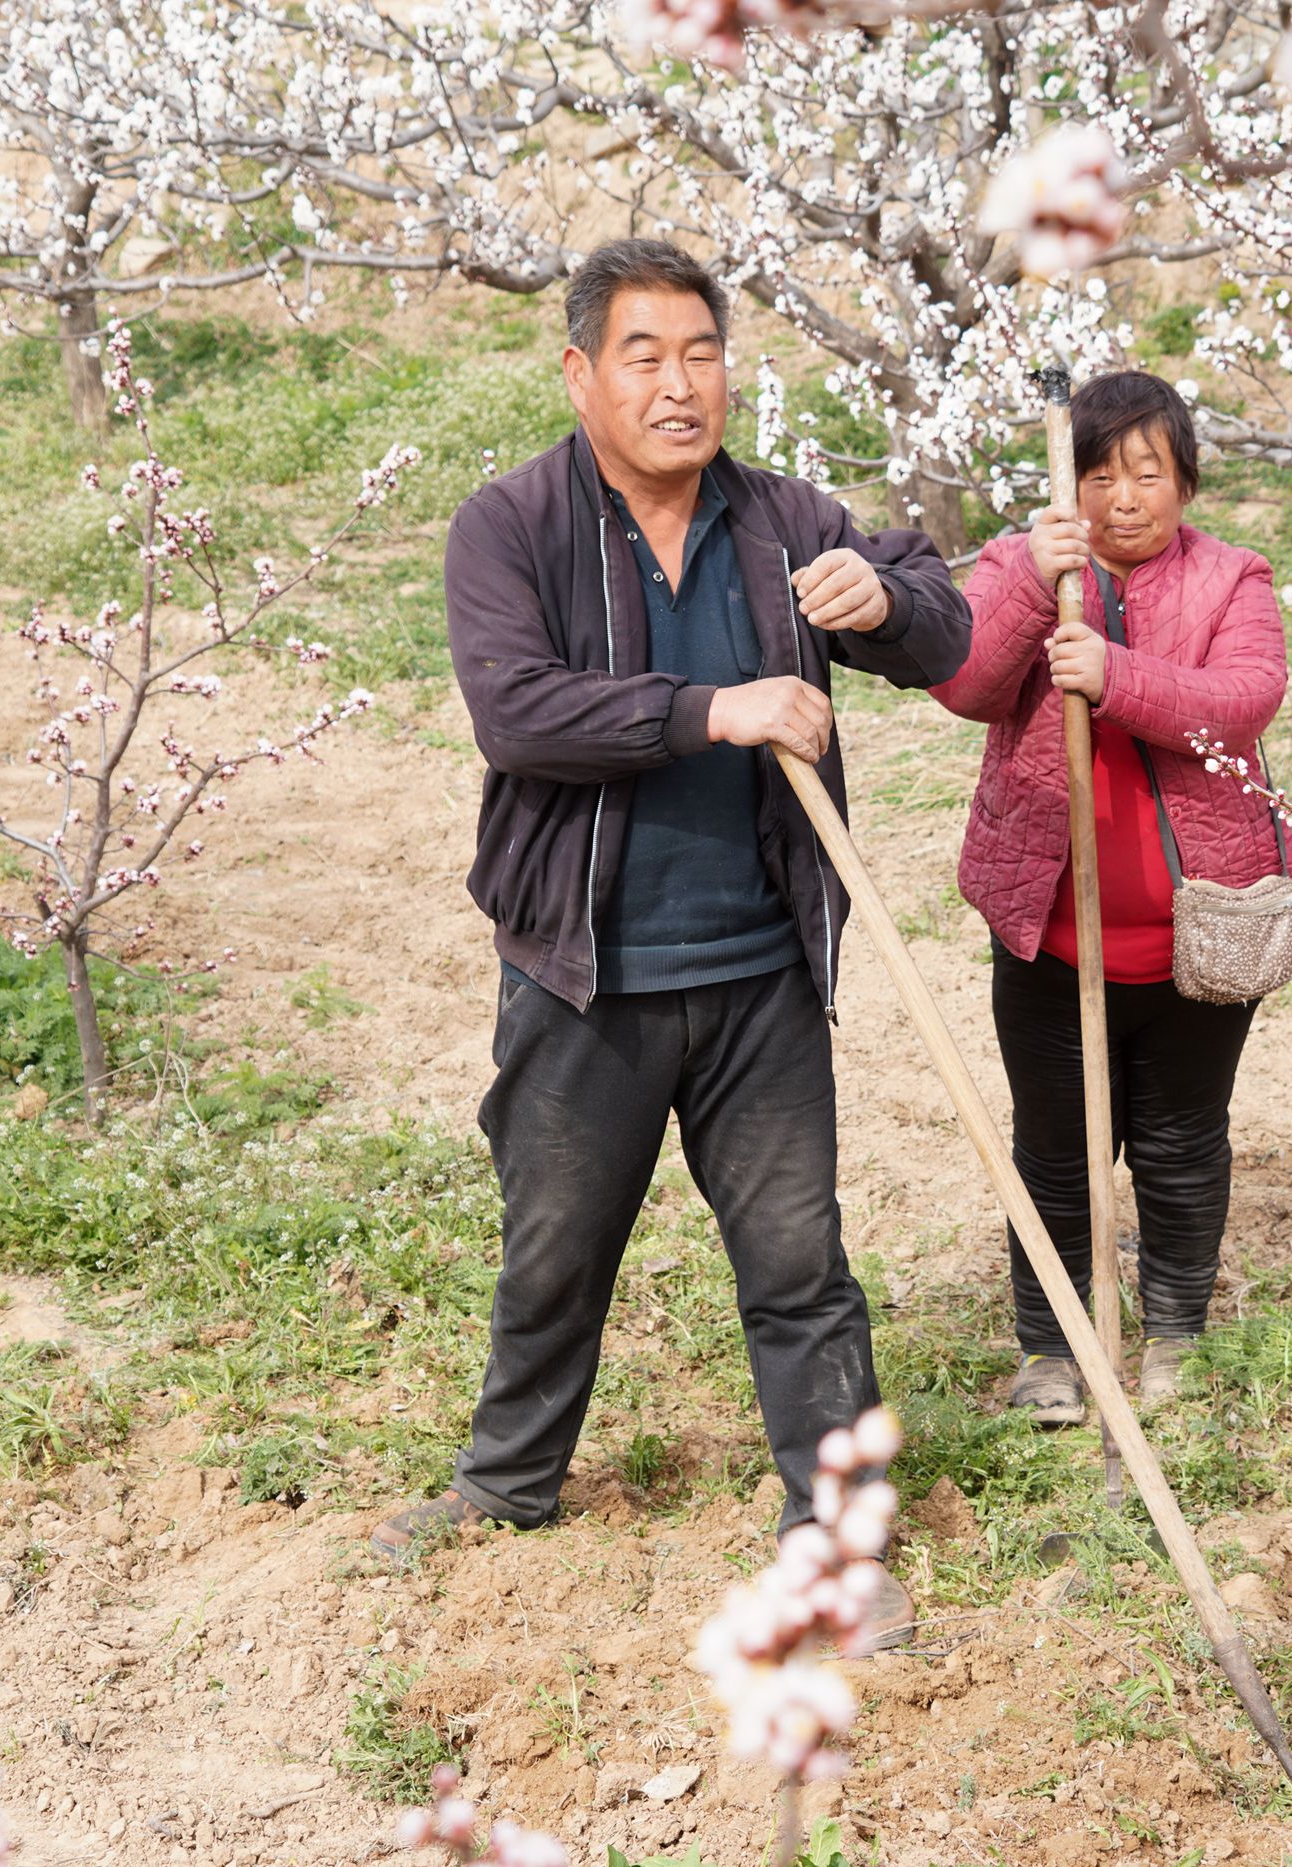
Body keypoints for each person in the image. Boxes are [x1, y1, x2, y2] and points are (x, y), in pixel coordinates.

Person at [379, 239, 971, 1635]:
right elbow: (519, 710)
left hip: (759, 969)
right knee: (554, 1248)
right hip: (584, 973)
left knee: (797, 1263)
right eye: (642, 354)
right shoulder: (510, 525)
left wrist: (882, 605)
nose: (678, 383)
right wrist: (718, 708)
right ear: (581, 371)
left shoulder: (781, 520)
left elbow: (941, 623)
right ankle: (509, 1479)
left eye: (701, 352)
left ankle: (835, 1537)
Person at [931, 370, 1292, 1423]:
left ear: (1184, 480)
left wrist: (1117, 674)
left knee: (1183, 1138)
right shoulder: (1021, 561)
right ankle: (1052, 1348)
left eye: (1147, 472)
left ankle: (1176, 1333)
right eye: (1097, 474)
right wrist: (1023, 588)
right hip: (1050, 931)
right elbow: (965, 685)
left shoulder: (1233, 579)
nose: (1122, 497)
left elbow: (1242, 701)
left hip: (1197, 935)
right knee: (1054, 1141)